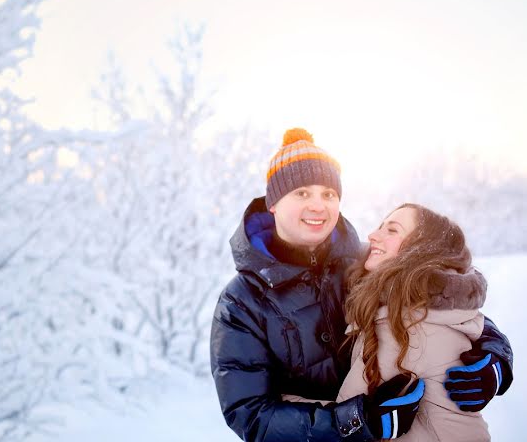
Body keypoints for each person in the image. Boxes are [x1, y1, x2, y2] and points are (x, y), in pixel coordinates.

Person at [210, 128, 513, 441]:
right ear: (273, 203)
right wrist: (357, 421)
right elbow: (251, 416)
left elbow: (444, 307)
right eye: (302, 193)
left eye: (328, 194)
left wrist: (497, 354)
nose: (318, 205)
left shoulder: (367, 263)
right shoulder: (241, 302)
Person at [337, 204, 491, 440]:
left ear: (418, 249)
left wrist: (283, 401)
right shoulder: (426, 307)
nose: (372, 236)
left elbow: (345, 430)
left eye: (392, 230)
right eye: (380, 227)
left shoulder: (404, 325)